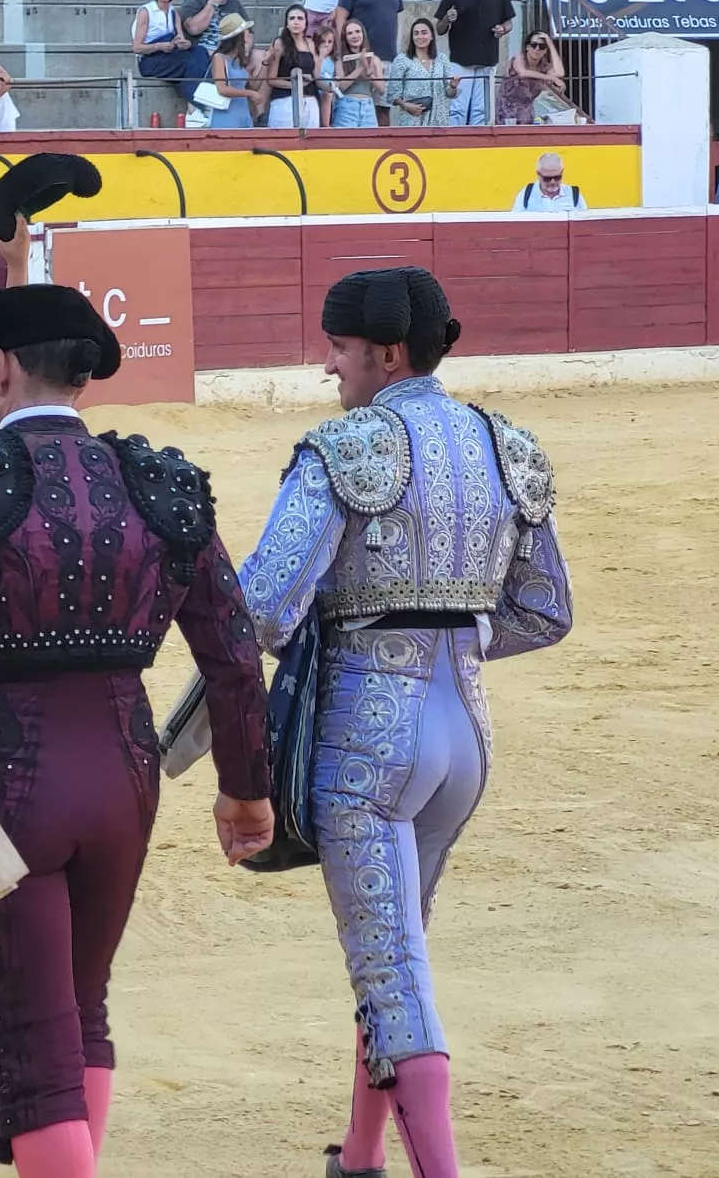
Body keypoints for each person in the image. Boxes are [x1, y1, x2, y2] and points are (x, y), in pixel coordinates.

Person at [0, 279, 272, 1170]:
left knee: (36, 1043)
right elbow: (231, 647)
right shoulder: (161, 482)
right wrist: (244, 790)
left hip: (10, 779)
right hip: (124, 773)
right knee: (85, 1002)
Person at [239, 266, 572, 1178]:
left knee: (391, 972)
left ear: (384, 354)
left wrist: (352, 643)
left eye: (339, 349)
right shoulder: (506, 446)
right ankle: (360, 1155)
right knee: (397, 950)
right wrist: (450, 642)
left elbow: (265, 607)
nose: (330, 368)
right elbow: (545, 611)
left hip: (371, 741)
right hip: (464, 734)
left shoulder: (348, 447)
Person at [433, 0, 511, 125]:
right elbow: (439, 28)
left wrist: (503, 29)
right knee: (457, 109)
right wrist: (447, 19)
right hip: (461, 59)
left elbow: (508, 21)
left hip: (488, 58)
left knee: (482, 112)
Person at [387, 16, 459, 128]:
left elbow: (450, 94)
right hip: (411, 121)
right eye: (416, 33)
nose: (420, 36)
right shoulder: (402, 60)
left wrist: (453, 87)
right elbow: (392, 94)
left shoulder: (442, 59)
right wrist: (406, 106)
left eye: (424, 33)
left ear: (431, 37)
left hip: (439, 123)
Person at [264, 2, 321, 129]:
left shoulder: (310, 43)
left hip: (310, 99)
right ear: (287, 23)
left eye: (300, 18)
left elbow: (316, 74)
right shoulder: (280, 43)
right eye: (292, 18)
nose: (296, 22)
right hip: (285, 100)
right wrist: (295, 85)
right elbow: (271, 79)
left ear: (306, 22)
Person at [496, 27, 569, 125]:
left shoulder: (543, 67)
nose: (537, 49)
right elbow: (523, 73)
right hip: (506, 111)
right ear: (527, 47)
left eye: (542, 46)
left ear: (545, 51)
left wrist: (551, 44)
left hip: (526, 112)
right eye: (534, 45)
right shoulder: (519, 58)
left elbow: (560, 72)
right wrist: (552, 78)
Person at [197, 12, 256, 129]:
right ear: (239, 35)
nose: (249, 33)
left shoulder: (239, 59)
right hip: (226, 114)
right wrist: (250, 93)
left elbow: (253, 85)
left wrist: (265, 63)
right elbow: (222, 89)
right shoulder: (219, 58)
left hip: (243, 112)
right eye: (246, 30)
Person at [326, 15, 384, 128]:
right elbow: (341, 87)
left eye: (357, 31)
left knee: (371, 143)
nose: (354, 36)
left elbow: (381, 90)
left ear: (363, 34)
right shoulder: (340, 58)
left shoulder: (374, 59)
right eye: (350, 33)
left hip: (368, 106)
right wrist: (360, 68)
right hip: (347, 105)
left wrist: (369, 74)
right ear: (345, 37)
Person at [511, 150, 585, 211]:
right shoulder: (526, 195)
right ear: (538, 175)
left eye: (557, 177)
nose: (552, 182)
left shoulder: (574, 195)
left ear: (562, 172)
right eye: (547, 178)